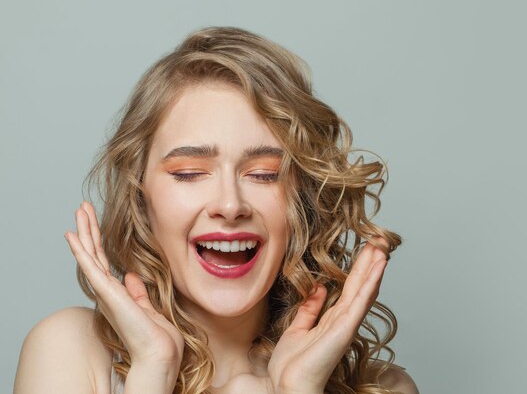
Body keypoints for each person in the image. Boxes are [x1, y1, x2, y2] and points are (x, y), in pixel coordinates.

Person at [14, 27, 418, 394]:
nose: (230, 205)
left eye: (264, 174)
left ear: (304, 197)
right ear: (141, 196)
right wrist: (153, 372)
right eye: (190, 173)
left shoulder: (387, 388)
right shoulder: (71, 350)